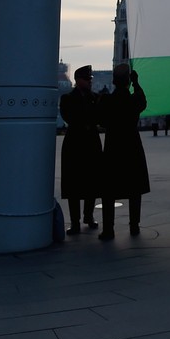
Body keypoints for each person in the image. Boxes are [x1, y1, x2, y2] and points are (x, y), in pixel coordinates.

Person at [98, 64, 150, 239]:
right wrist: (136, 83)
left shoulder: (107, 100)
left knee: (109, 190)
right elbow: (143, 100)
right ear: (128, 81)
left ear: (113, 81)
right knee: (134, 187)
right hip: (132, 146)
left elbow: (102, 121)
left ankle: (108, 229)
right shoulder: (134, 100)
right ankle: (134, 225)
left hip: (113, 146)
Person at [60, 65, 103, 235]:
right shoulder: (67, 98)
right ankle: (75, 221)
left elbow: (98, 117)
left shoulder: (95, 98)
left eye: (90, 79)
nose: (90, 81)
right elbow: (71, 117)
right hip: (75, 144)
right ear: (78, 80)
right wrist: (89, 116)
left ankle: (89, 216)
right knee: (74, 185)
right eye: (87, 79)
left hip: (90, 142)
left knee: (91, 181)